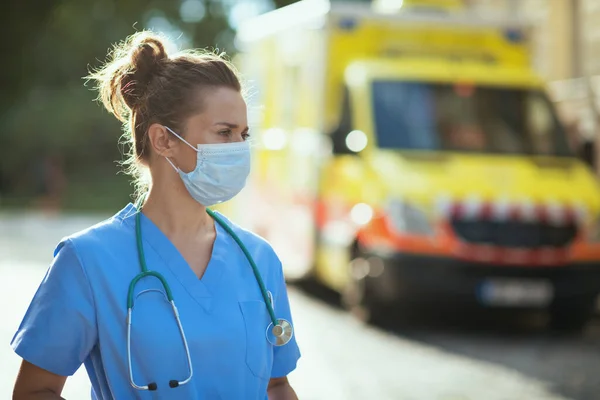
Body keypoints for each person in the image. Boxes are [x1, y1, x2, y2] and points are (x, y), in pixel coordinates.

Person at [11, 31, 301, 399]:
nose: (239, 149)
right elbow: (35, 391)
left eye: (244, 134)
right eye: (224, 133)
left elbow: (277, 386)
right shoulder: (88, 261)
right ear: (164, 140)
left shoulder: (259, 260)